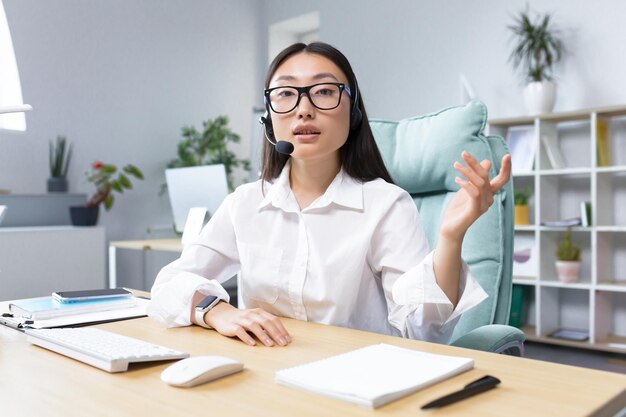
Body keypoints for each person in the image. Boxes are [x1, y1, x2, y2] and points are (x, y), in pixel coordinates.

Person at [148, 42, 511, 348]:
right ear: (269, 117)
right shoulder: (245, 203)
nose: (303, 108)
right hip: (262, 380)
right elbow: (168, 285)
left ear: (352, 112)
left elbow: (421, 332)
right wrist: (218, 311)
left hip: (356, 381)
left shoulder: (386, 205)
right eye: (286, 94)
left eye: (323, 91)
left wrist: (450, 237)